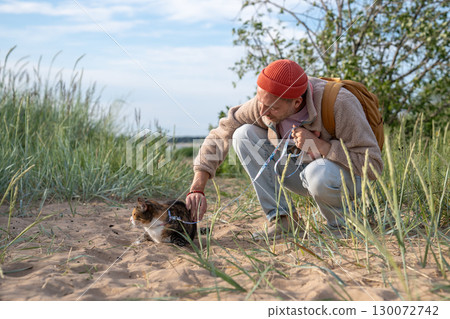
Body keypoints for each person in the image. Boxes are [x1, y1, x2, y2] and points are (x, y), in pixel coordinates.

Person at [186, 59, 383, 238]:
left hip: (347, 179)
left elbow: (373, 165)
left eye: (272, 108)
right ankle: (283, 220)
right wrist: (198, 186)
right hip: (301, 174)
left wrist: (323, 147)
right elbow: (222, 132)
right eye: (260, 103)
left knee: (318, 172)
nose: (263, 112)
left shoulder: (340, 103)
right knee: (243, 134)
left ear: (297, 102)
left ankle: (342, 226)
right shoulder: (266, 103)